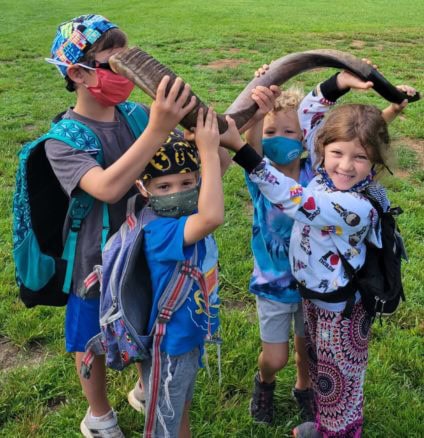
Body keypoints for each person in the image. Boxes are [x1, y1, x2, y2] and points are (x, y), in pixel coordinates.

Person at [229, 76, 415, 436]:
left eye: (360, 157)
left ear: (375, 164)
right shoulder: (328, 174)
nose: (345, 165)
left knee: (338, 379)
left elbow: (295, 199)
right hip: (316, 297)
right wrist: (340, 81)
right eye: (337, 153)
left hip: (340, 309)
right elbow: (312, 114)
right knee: (319, 369)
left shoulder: (351, 203)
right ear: (322, 148)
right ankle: (322, 425)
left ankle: (339, 431)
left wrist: (242, 149)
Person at [44, 14, 197, 437]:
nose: (127, 76)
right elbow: (107, 187)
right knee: (89, 337)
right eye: (115, 66)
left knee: (144, 316)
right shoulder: (64, 139)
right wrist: (158, 128)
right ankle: (99, 415)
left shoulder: (134, 114)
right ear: (78, 73)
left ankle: (146, 387)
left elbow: (170, 163)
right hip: (93, 258)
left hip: (143, 247)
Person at [135, 108, 244, 437]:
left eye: (186, 182)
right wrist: (207, 152)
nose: (177, 192)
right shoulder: (160, 230)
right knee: (163, 425)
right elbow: (212, 217)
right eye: (164, 186)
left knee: (180, 411)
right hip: (171, 345)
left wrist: (210, 146)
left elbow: (219, 168)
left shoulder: (182, 212)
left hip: (188, 336)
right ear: (144, 189)